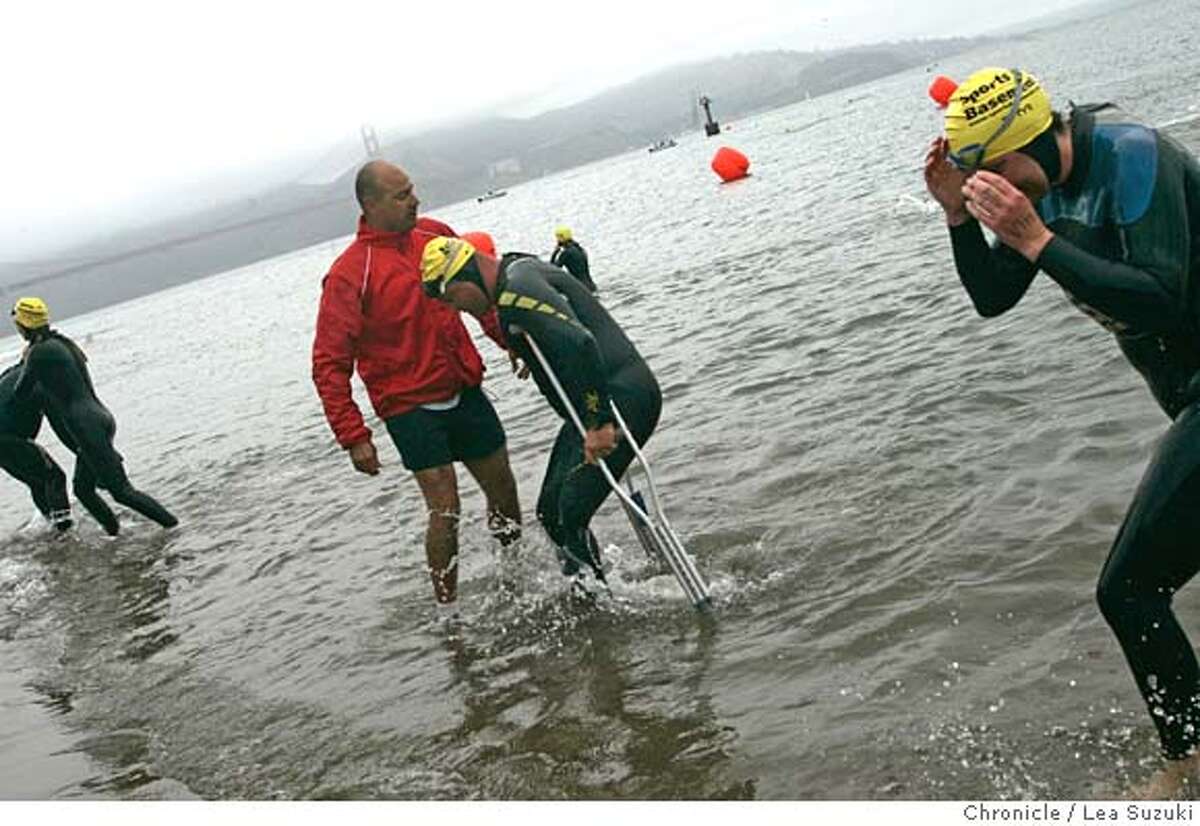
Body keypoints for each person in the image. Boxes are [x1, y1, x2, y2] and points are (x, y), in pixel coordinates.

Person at [924, 67, 1200, 787]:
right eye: (979, 180)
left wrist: (1037, 240)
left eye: (997, 173)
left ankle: (1189, 762)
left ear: (1040, 139)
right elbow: (991, 298)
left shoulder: (1134, 157)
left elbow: (1163, 301)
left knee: (1130, 589)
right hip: (1189, 400)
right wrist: (959, 219)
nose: (997, 192)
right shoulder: (1042, 192)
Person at [311, 161, 523, 607]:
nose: (415, 200)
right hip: (408, 405)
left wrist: (510, 342)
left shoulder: (435, 235)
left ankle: (514, 579)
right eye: (401, 195)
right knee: (446, 506)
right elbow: (330, 364)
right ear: (370, 205)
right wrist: (353, 436)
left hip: (462, 384)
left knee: (503, 489)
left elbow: (480, 297)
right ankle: (448, 613)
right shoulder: (350, 274)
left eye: (412, 190)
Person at [419, 235, 661, 586]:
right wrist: (521, 344)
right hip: (591, 409)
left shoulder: (517, 292)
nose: (460, 309)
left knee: (569, 513)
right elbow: (555, 310)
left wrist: (599, 423)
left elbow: (580, 342)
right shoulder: (515, 270)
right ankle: (589, 593)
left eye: (454, 298)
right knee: (550, 511)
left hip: (622, 401)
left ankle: (600, 604)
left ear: (466, 274)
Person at [10, 297, 177, 536]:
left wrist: (25, 360)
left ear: (24, 324)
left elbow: (20, 394)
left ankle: (174, 528)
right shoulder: (63, 343)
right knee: (83, 489)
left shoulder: (38, 353)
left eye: (17, 323)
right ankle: (114, 533)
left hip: (85, 426)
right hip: (99, 418)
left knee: (121, 491)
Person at [0, 360, 72, 530]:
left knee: (37, 481)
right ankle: (64, 529)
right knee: (55, 476)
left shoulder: (11, 373)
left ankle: (54, 528)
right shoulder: (40, 380)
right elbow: (60, 426)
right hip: (9, 437)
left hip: (7, 439)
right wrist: (83, 451)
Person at [550, 226, 596, 293]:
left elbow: (553, 268)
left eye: (558, 238)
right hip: (591, 285)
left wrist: (555, 253)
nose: (557, 240)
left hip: (581, 288)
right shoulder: (580, 249)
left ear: (562, 237)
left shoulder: (566, 253)